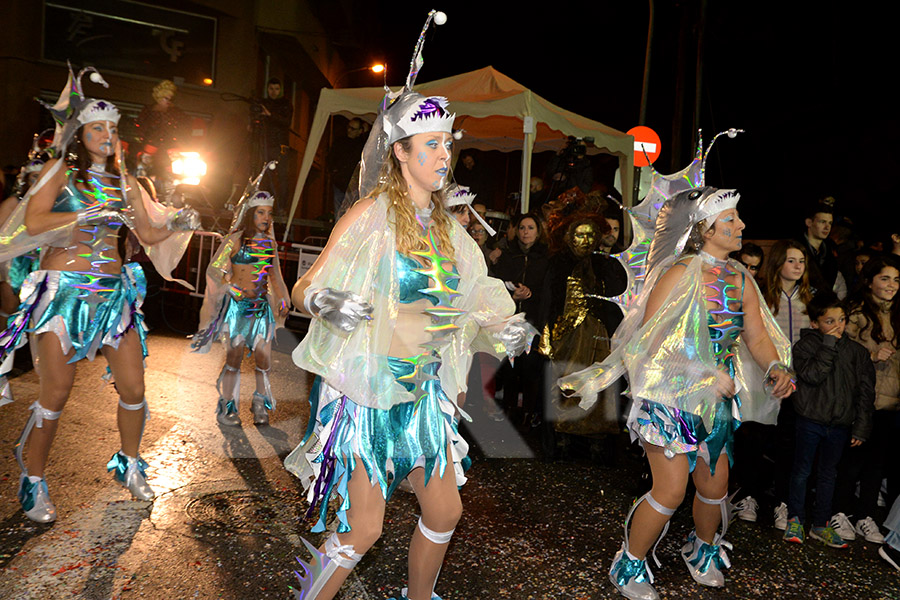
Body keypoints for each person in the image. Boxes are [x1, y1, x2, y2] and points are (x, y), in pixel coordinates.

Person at [282, 12, 533, 600]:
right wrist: (322, 298)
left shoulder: (450, 229)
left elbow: (476, 295)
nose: (444, 154)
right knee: (364, 528)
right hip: (370, 394)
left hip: (423, 395)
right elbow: (303, 287)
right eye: (431, 144)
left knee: (445, 511)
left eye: (448, 142)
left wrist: (504, 327)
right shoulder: (369, 216)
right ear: (400, 153)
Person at [561, 185, 793, 599]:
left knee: (714, 487)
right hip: (669, 396)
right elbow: (649, 342)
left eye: (737, 218)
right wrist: (701, 371)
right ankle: (629, 561)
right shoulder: (679, 273)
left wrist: (774, 365)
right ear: (704, 229)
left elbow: (756, 335)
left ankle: (701, 549)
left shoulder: (740, 277)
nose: (741, 225)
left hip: (716, 400)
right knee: (670, 490)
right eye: (731, 220)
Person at [0, 65, 198, 523]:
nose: (107, 135)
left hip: (113, 297)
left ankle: (129, 466)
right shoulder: (58, 172)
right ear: (80, 133)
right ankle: (32, 479)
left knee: (133, 388)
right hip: (64, 293)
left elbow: (146, 232)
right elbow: (33, 223)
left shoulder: (127, 183)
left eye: (112, 128)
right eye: (97, 128)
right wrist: (81, 217)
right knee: (57, 391)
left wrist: (174, 222)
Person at [191, 173, 290, 426]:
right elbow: (214, 270)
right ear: (250, 214)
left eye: (269, 214)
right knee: (233, 359)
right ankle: (227, 408)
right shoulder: (235, 240)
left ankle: (259, 404)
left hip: (260, 310)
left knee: (264, 360)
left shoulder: (270, 243)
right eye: (260, 213)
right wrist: (234, 291)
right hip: (237, 311)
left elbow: (275, 275)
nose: (266, 219)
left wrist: (282, 299)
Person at [783, 293, 874, 548]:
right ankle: (795, 519)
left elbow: (866, 391)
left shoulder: (856, 352)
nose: (838, 326)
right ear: (815, 323)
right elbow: (811, 375)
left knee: (828, 475)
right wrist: (828, 346)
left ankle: (821, 524)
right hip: (810, 419)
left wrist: (861, 426)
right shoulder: (805, 346)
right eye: (829, 321)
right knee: (801, 470)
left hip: (841, 424)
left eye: (842, 320)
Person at [831, 255, 900, 544]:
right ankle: (839, 513)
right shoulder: (856, 312)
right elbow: (841, 352)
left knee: (877, 463)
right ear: (870, 280)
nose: (891, 285)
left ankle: (865, 516)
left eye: (896, 279)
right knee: (851, 462)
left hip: (892, 402)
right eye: (885, 278)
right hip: (861, 401)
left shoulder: (898, 313)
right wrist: (870, 356)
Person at [492, 212, 550, 427]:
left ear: (538, 231)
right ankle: (508, 409)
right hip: (510, 319)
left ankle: (527, 411)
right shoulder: (507, 255)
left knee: (530, 369)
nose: (526, 232)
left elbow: (548, 290)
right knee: (509, 366)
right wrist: (512, 296)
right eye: (523, 228)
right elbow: (496, 286)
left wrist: (531, 294)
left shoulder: (545, 258)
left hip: (534, 320)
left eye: (531, 228)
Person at [797, 199, 847, 299]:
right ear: (809, 222)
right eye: (822, 222)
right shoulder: (795, 248)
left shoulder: (830, 252)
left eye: (830, 223)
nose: (827, 227)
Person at [327, 117, 367, 217]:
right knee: (339, 212)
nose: (349, 130)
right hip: (340, 183)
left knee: (353, 214)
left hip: (353, 186)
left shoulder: (362, 145)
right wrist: (334, 173)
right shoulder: (340, 142)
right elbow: (330, 159)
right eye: (349, 127)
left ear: (359, 131)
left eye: (353, 129)